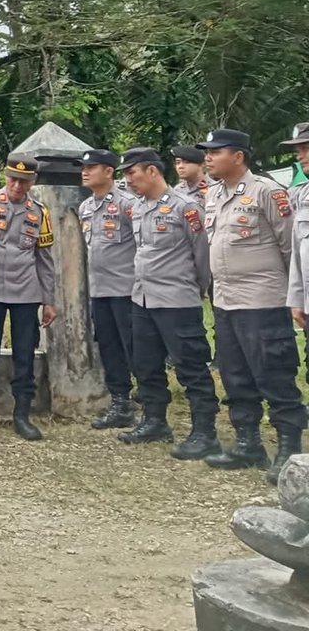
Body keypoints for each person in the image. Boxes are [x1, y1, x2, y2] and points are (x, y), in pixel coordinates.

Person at [198, 127, 302, 482]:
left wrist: (294, 298)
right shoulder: (213, 194)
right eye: (206, 153)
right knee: (235, 374)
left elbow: (290, 248)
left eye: (215, 152)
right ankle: (248, 444)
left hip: (263, 301)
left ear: (238, 156)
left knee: (274, 374)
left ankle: (289, 449)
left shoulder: (267, 192)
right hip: (226, 302)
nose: (208, 158)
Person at [117, 147, 220, 459]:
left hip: (177, 301)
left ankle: (205, 432)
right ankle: (154, 421)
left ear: (151, 171)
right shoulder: (137, 208)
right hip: (142, 299)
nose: (128, 180)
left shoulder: (185, 207)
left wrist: (194, 289)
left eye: (131, 173)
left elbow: (203, 256)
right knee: (146, 365)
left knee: (191, 368)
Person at [0, 154, 57, 442]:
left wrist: (48, 299)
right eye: (13, 179)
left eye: (24, 180)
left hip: (25, 290)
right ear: (5, 177)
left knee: (25, 353)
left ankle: (22, 416)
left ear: (33, 182)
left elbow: (45, 258)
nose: (17, 185)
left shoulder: (39, 212)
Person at [78, 148, 139, 431]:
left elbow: (142, 245)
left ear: (109, 172)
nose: (85, 171)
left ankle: (151, 404)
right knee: (110, 348)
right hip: (99, 291)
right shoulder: (86, 207)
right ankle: (120, 403)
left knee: (135, 349)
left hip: (127, 289)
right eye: (84, 167)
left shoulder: (129, 203)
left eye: (93, 167)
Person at [286, 123, 309, 355]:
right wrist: (296, 299)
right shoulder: (302, 195)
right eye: (298, 149)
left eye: (305, 148)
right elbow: (297, 251)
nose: (299, 156)